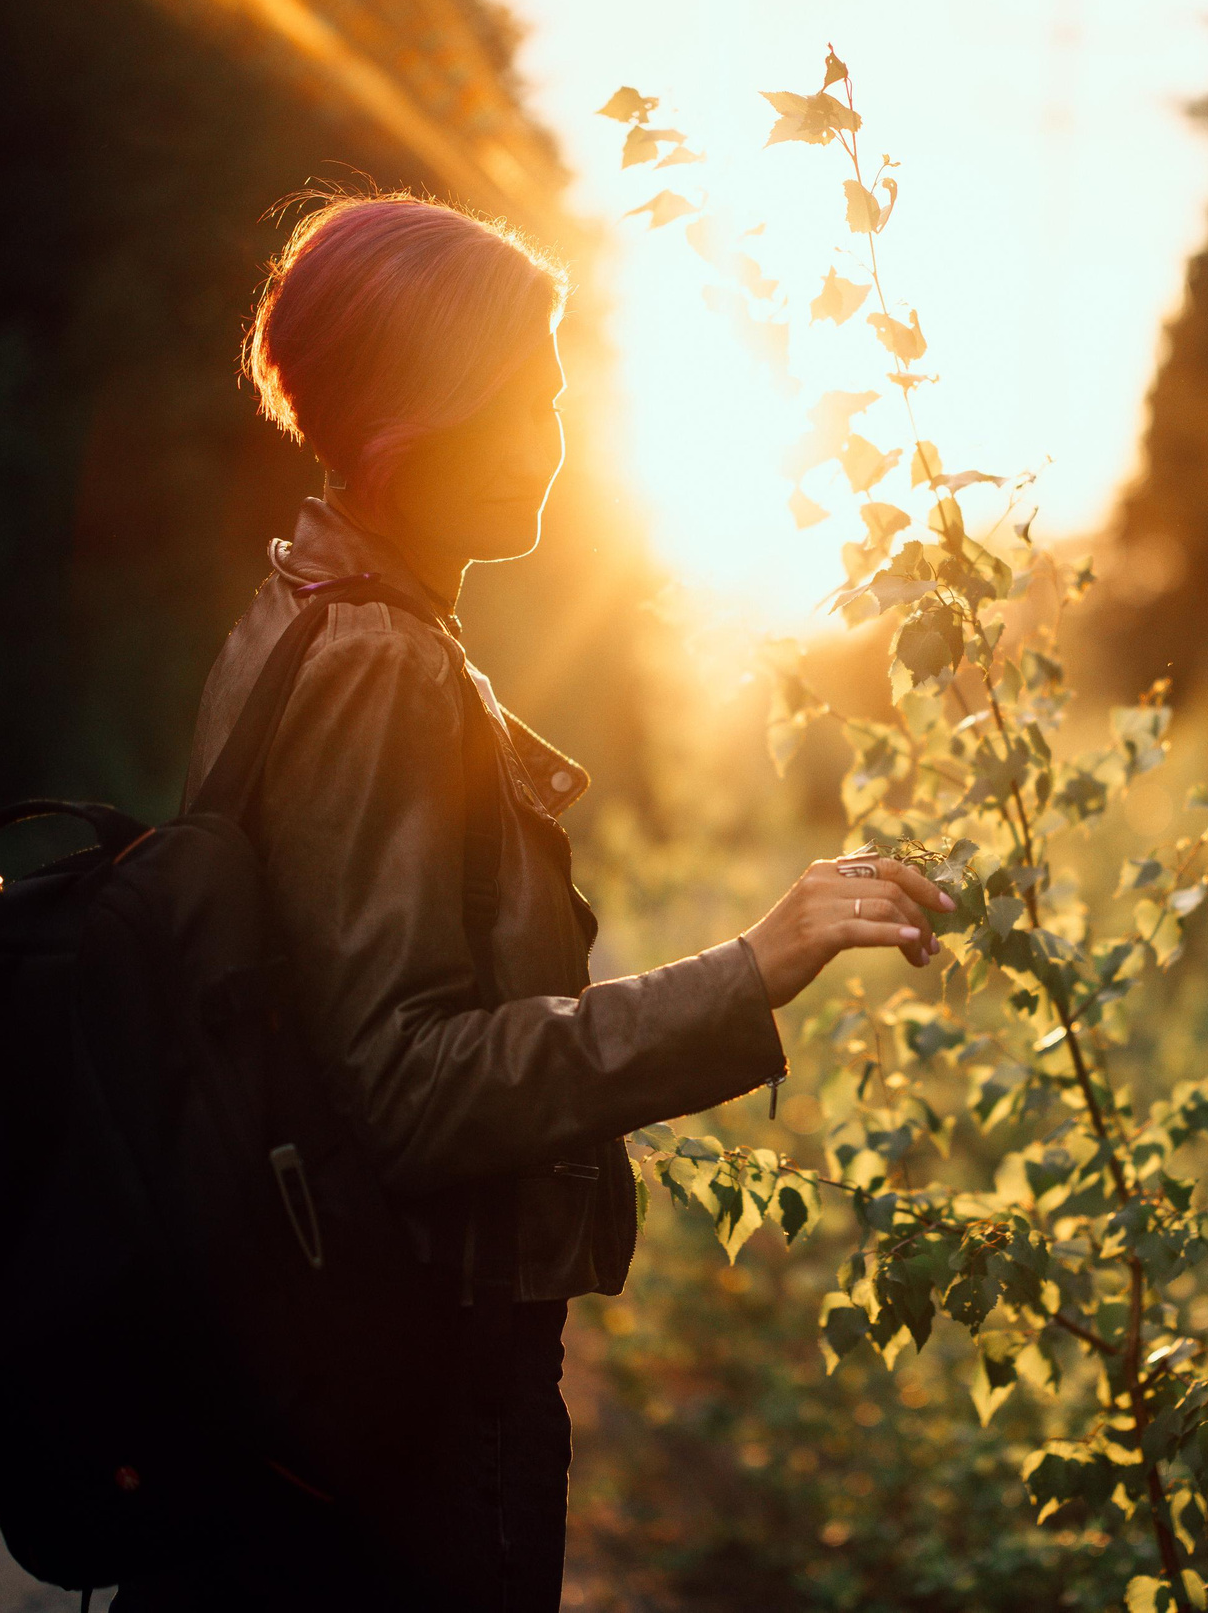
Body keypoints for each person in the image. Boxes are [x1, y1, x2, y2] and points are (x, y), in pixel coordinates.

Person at [114, 192, 954, 1610]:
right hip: (417, 1399)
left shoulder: (293, 614)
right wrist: (753, 966)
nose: (549, 446)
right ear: (416, 417)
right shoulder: (381, 663)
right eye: (518, 407)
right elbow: (410, 1088)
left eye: (556, 404)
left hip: (323, 1376)